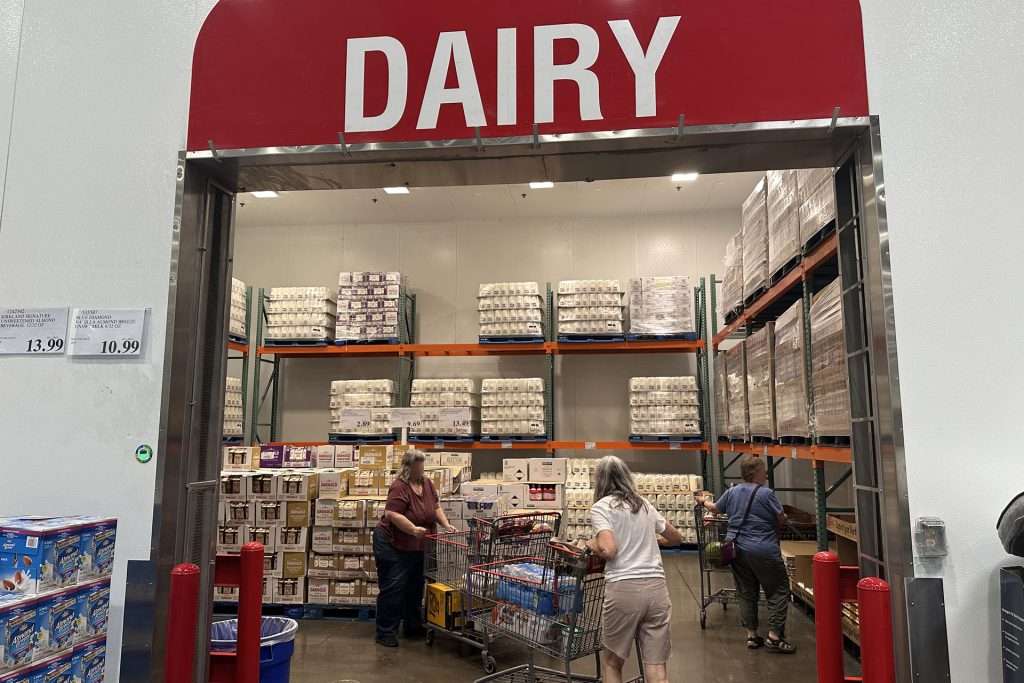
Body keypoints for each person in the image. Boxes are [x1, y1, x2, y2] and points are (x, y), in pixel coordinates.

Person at [589, 456, 684, 683]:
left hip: (624, 590)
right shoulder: (643, 504)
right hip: (657, 590)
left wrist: (591, 544)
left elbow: (609, 549)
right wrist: (650, 541)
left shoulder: (601, 508)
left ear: (600, 481)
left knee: (613, 663)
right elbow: (676, 538)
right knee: (656, 665)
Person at [698, 456, 796, 654]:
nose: (766, 474)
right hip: (763, 550)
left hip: (737, 549)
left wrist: (704, 500)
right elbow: (780, 518)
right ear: (755, 473)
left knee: (746, 591)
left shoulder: (732, 491)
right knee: (778, 590)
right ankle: (775, 637)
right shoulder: (767, 494)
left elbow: (715, 509)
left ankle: (752, 635)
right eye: (763, 471)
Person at [373, 449, 456, 648]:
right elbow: (392, 514)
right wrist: (412, 529)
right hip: (393, 543)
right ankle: (385, 632)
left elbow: (435, 507)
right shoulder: (399, 487)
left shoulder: (427, 483)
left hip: (419, 544)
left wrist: (445, 524)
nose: (421, 470)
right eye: (417, 466)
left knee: (415, 586)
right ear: (408, 467)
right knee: (393, 587)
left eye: (422, 466)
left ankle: (413, 625)